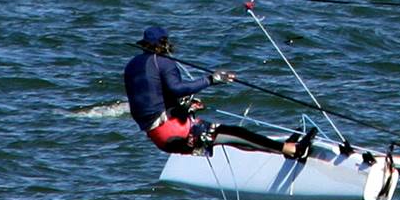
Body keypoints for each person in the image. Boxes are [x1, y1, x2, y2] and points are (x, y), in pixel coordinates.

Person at [122, 26, 316, 160]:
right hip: (174, 131)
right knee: (236, 133)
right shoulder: (164, 62)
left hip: (158, 135)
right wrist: (211, 79)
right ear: (164, 43)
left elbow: (152, 98)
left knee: (227, 137)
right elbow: (176, 88)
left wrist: (184, 106)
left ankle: (282, 149)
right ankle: (292, 150)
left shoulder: (132, 65)